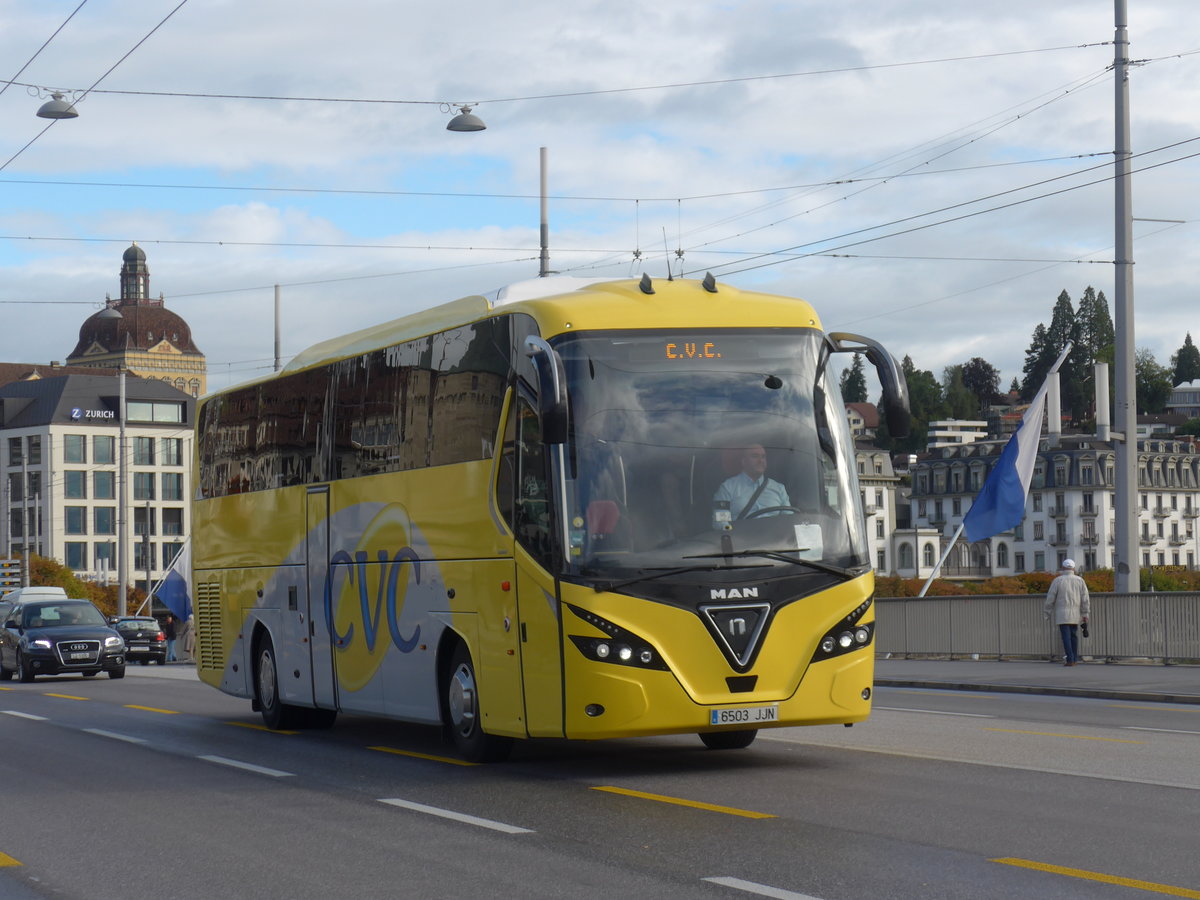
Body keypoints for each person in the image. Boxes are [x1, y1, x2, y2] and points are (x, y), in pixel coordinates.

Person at [713, 444, 790, 527]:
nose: (760, 461)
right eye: (755, 456)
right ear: (744, 461)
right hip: (741, 538)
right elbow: (721, 523)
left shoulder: (779, 488)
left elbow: (789, 520)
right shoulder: (727, 488)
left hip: (775, 538)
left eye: (763, 457)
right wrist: (732, 536)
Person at [1044, 558, 1090, 666]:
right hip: (1075, 613)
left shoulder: (1058, 580)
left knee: (1066, 636)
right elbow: (1085, 599)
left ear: (1063, 568)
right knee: (1074, 636)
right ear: (1073, 568)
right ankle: (1074, 658)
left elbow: (1050, 598)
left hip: (1062, 613)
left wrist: (1047, 612)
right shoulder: (1080, 580)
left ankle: (1070, 659)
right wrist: (1085, 613)